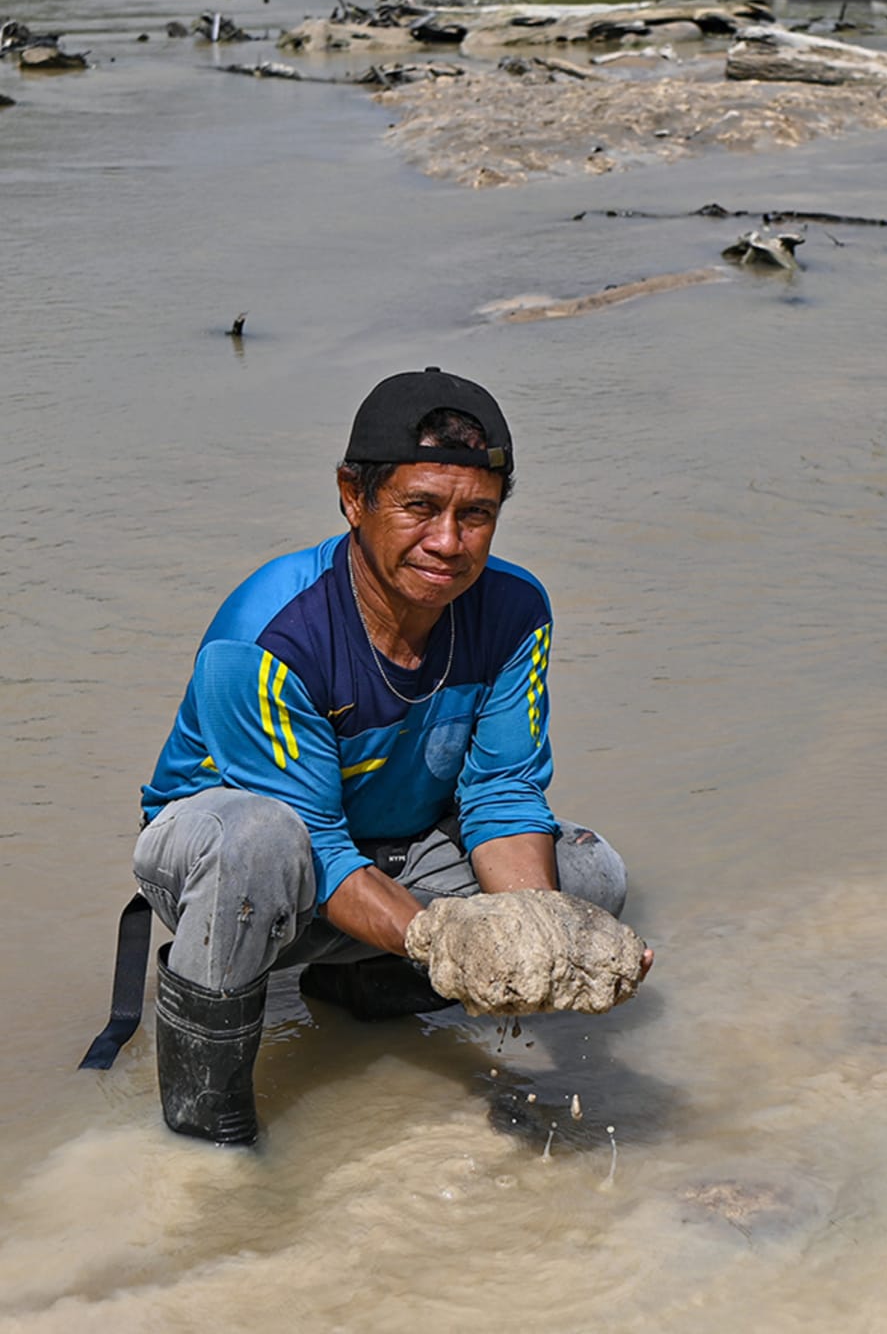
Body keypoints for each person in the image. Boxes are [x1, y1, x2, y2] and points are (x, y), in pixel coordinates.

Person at [131, 366, 652, 1145]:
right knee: (255, 839)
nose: (448, 542)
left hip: (392, 852)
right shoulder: (269, 631)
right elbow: (312, 840)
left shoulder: (516, 611)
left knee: (585, 876)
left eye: (475, 515)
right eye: (420, 508)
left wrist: (538, 932)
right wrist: (447, 944)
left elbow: (503, 795)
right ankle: (209, 1129)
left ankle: (368, 986)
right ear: (353, 495)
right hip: (246, 867)